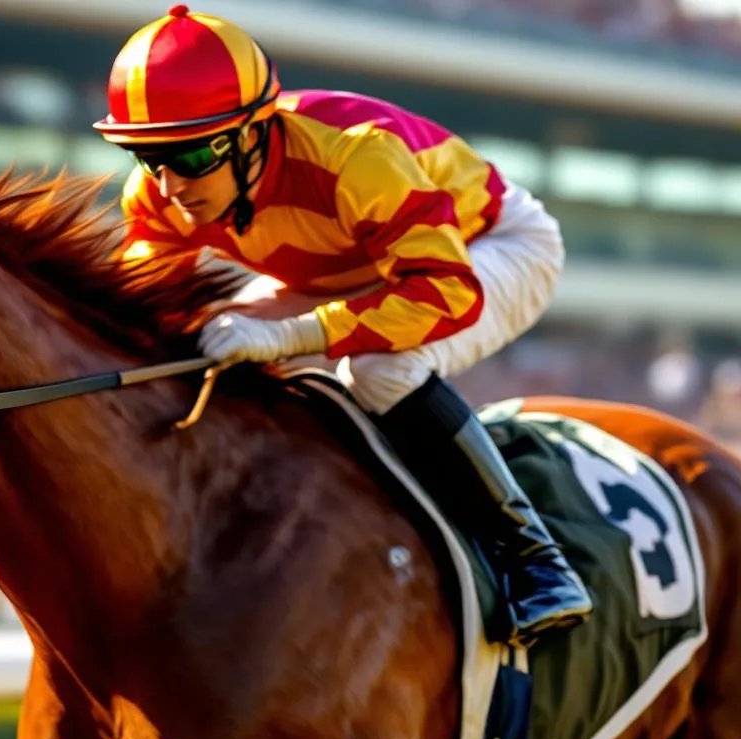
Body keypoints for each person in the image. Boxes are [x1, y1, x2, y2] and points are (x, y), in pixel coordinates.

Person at [92, 4, 591, 647]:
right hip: (347, 267)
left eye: (187, 156)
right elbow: (142, 313)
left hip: (482, 248)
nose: (167, 186)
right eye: (143, 155)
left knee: (382, 368)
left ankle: (535, 560)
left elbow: (444, 293)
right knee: (205, 341)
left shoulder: (356, 157)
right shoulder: (160, 196)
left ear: (250, 133)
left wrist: (291, 334)